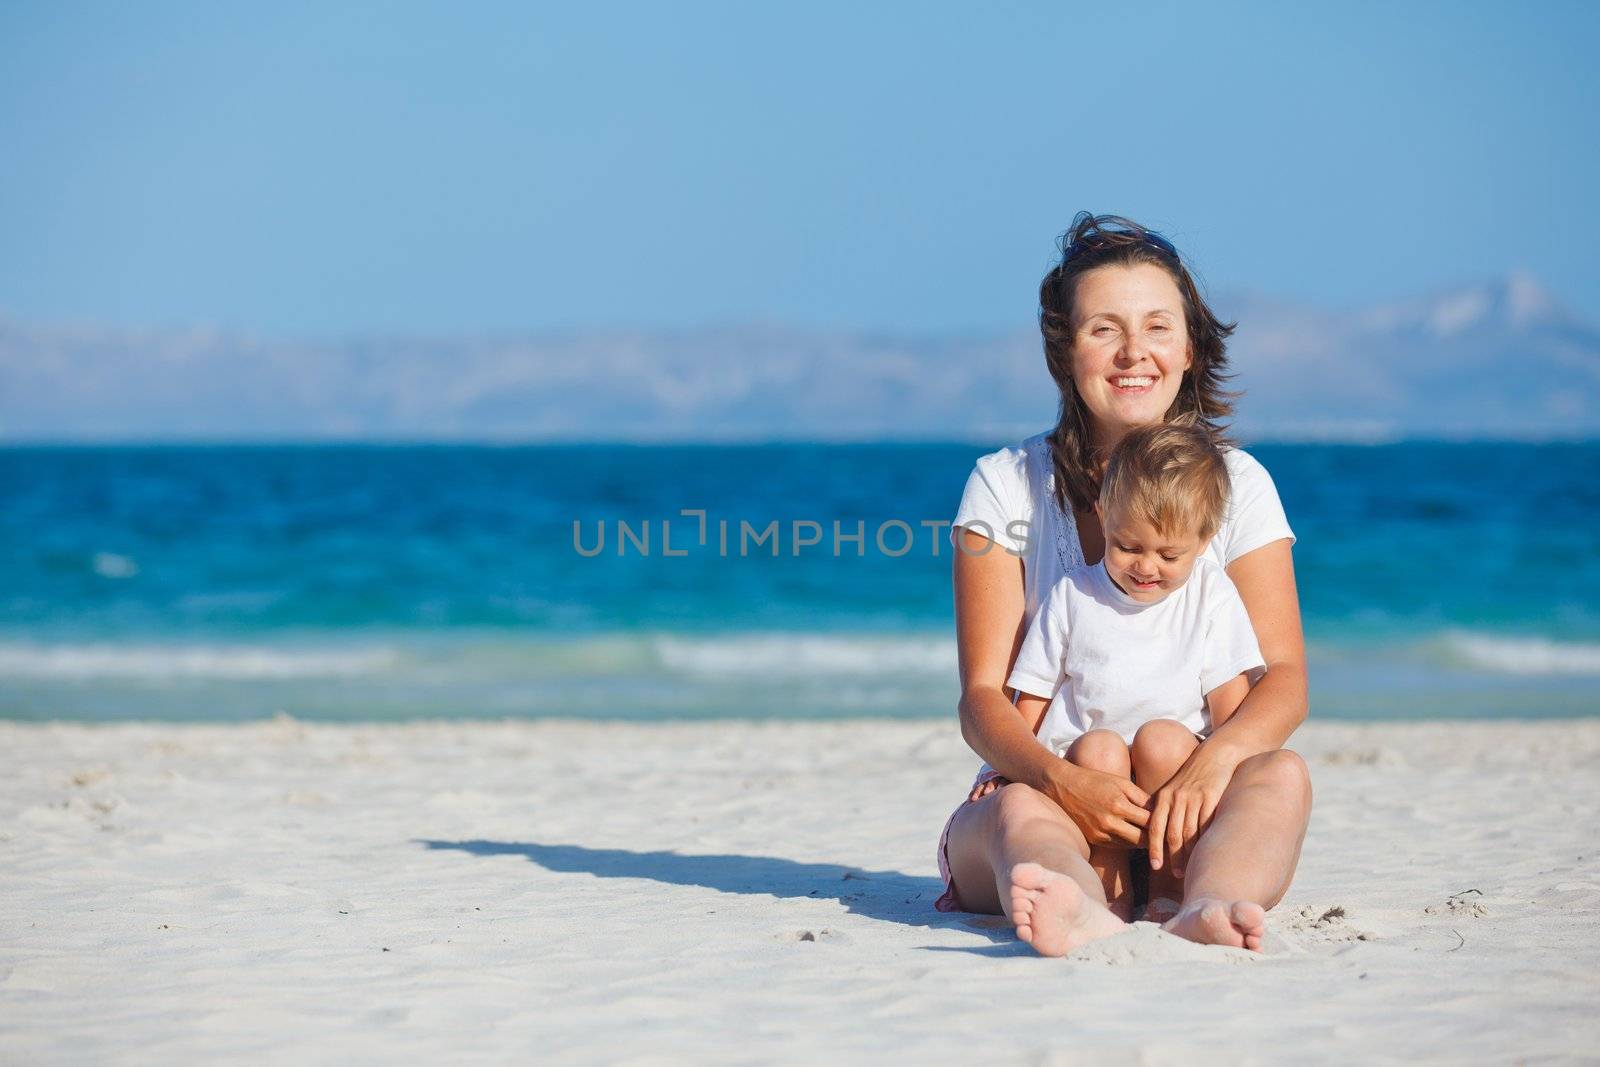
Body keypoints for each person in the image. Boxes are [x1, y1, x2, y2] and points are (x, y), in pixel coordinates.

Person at [934, 212, 1313, 957]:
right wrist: (1055, 777)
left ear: (1190, 347)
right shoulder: (1004, 486)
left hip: (1186, 796)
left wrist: (1214, 762)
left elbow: (1286, 680)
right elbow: (985, 698)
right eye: (1104, 329)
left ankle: (1203, 902)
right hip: (1055, 789)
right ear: (1065, 352)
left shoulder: (1241, 485)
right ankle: (1078, 902)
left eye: (1157, 327)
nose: (1134, 352)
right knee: (1016, 815)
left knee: (1285, 776)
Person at [964, 421, 1268, 920]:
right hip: (1088, 780)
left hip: (1172, 780)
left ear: (1204, 539)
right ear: (1105, 516)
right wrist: (1001, 767)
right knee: (1100, 746)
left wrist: (1229, 769)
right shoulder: (1073, 595)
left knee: (1164, 739)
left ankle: (1170, 887)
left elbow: (1230, 702)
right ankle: (1112, 891)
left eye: (1170, 555)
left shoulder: (1211, 595)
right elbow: (1034, 696)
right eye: (1129, 546)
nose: (1147, 567)